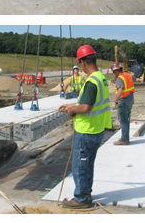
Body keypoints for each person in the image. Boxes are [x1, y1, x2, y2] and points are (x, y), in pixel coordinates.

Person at [58, 45, 112, 209]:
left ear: (82, 62)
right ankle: (86, 193)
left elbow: (86, 108)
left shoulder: (90, 82)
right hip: (97, 130)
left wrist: (73, 110)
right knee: (87, 164)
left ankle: (81, 199)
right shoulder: (100, 78)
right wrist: (71, 104)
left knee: (80, 165)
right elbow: (90, 103)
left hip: (86, 131)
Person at [111, 63, 136, 145]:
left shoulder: (119, 78)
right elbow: (133, 79)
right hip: (130, 100)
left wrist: (115, 102)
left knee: (123, 121)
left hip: (123, 101)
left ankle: (124, 139)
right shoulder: (127, 75)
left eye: (114, 72)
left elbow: (120, 90)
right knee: (126, 120)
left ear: (116, 71)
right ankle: (124, 137)